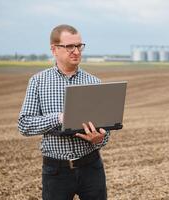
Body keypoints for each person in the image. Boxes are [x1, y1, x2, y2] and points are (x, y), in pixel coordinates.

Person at [18, 24, 110, 200]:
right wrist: (59, 117)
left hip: (91, 167)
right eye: (69, 46)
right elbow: (24, 125)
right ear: (54, 49)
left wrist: (100, 138)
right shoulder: (38, 82)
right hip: (55, 172)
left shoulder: (94, 82)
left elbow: (105, 128)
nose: (76, 51)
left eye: (79, 46)